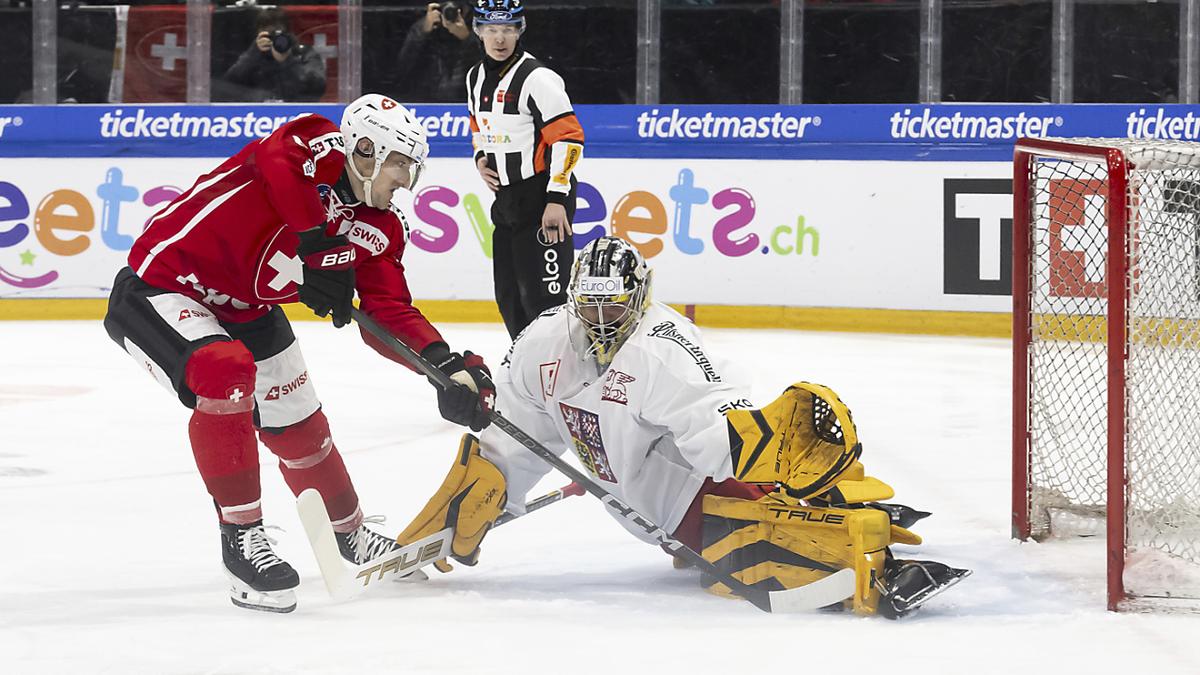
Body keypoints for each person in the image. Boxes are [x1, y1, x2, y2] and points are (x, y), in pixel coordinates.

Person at [397, 236, 970, 618]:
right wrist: (465, 507)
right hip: (643, 507)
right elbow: (516, 441)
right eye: (589, 306)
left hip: (696, 496)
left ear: (639, 299)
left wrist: (767, 440)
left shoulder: (663, 349)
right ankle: (826, 501)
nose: (599, 320)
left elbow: (717, 433)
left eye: (613, 307)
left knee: (762, 548)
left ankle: (861, 551)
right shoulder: (541, 343)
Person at [102, 94, 495, 614]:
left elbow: (389, 313)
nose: (405, 179)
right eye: (399, 163)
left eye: (411, 168)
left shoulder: (381, 229)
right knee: (226, 374)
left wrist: (442, 365)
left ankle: (348, 536)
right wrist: (315, 242)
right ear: (364, 148)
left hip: (248, 309)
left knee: (302, 427)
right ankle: (242, 538)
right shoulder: (315, 144)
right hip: (163, 288)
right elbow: (278, 165)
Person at [466, 0, 585, 340]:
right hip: (506, 199)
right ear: (478, 31)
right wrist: (481, 157)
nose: (499, 38)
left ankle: (564, 380)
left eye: (507, 29)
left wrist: (557, 198)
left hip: (541, 197)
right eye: (491, 29)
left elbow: (569, 139)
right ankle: (528, 377)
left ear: (520, 30)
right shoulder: (474, 77)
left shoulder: (539, 78)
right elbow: (479, 124)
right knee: (510, 299)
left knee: (546, 302)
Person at [221, 8, 326, 102]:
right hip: (258, 115)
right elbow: (229, 85)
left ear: (288, 33)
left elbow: (317, 87)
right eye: (269, 34)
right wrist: (253, 53)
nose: (274, 38)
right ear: (259, 33)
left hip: (296, 111)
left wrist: (287, 61)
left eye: (277, 33)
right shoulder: (252, 55)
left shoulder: (303, 53)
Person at [393, 2, 479, 102]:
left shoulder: (478, 26)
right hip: (427, 97)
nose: (451, 14)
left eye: (458, 10)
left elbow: (484, 70)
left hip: (464, 98)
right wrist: (423, 30)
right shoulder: (425, 27)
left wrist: (467, 38)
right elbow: (402, 68)